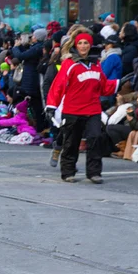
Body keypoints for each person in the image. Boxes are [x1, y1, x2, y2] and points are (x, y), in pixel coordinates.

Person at [45, 32, 118, 184]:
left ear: (90, 45)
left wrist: (119, 84)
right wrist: (51, 105)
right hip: (72, 110)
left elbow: (103, 86)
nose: (83, 46)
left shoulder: (96, 64)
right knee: (71, 142)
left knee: (95, 139)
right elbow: (58, 86)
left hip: (93, 109)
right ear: (75, 45)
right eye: (80, 43)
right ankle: (68, 172)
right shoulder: (69, 64)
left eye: (86, 43)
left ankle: (94, 173)